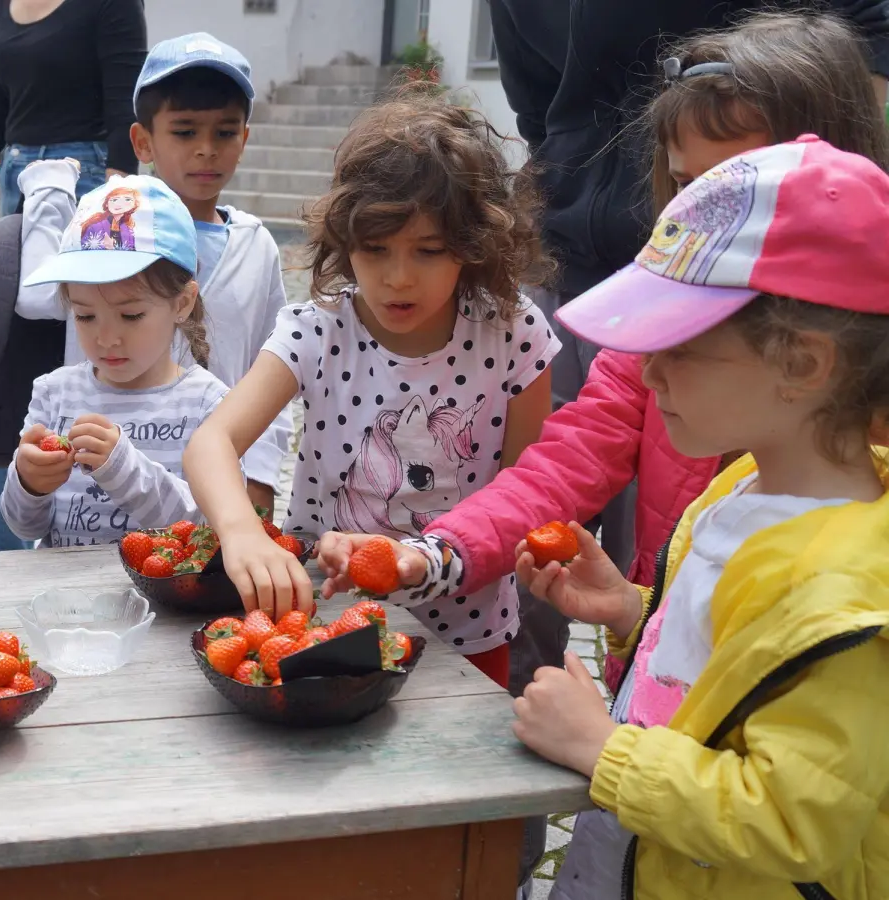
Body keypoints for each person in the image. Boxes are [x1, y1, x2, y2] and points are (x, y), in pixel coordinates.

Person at [511, 135, 889, 900]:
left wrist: (602, 748)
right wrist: (630, 613)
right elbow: (730, 678)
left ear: (803, 365)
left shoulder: (848, 595)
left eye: (677, 346)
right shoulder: (744, 488)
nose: (647, 372)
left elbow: (792, 822)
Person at [184, 90, 559, 689]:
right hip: (329, 627)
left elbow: (526, 492)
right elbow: (211, 443)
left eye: (429, 251)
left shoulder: (514, 336)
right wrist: (240, 532)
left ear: (474, 243)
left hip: (467, 633)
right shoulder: (318, 329)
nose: (398, 276)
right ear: (342, 238)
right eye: (375, 248)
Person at [16, 32, 293, 514]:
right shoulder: (96, 236)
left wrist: (263, 476)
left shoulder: (256, 245)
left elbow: (275, 370)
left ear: (244, 139)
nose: (206, 149)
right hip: (89, 481)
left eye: (225, 132)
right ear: (143, 141)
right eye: (185, 132)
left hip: (211, 489)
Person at [0, 0, 147, 553]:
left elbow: (123, 105)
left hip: (87, 180)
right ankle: (13, 519)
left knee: (84, 342)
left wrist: (112, 209)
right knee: (15, 349)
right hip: (15, 180)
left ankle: (94, 502)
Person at [1, 176, 224, 546]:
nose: (106, 338)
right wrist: (28, 483)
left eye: (131, 315)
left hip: (163, 601)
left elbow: (211, 528)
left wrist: (123, 468)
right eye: (85, 317)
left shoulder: (210, 405)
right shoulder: (54, 393)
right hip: (67, 601)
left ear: (182, 303)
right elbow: (24, 527)